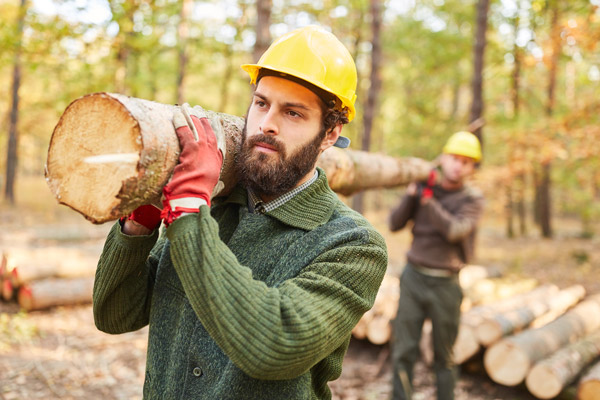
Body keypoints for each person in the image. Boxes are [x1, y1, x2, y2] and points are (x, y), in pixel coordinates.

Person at [92, 25, 387, 400]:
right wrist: (141, 220)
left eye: (293, 113)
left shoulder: (353, 244)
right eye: (261, 103)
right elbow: (115, 315)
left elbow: (273, 345)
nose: (267, 124)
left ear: (330, 133)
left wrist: (186, 210)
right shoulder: (212, 208)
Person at [389, 131, 485, 400]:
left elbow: (455, 231)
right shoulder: (422, 187)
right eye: (454, 158)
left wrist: (428, 201)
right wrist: (411, 195)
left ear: (472, 168)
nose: (458, 165)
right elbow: (394, 224)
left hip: (446, 283)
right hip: (413, 278)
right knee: (403, 350)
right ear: (443, 158)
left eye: (466, 162)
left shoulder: (472, 199)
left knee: (445, 356)